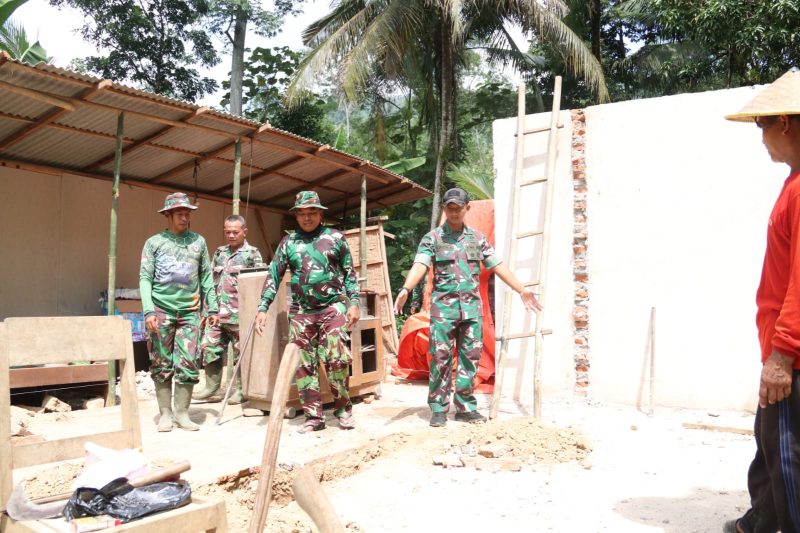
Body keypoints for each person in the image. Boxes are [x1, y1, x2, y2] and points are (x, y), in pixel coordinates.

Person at [723, 71, 800, 533]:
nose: (762, 138)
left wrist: (782, 355)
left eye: (762, 125)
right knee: (771, 444)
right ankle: (757, 523)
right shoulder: (793, 183)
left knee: (788, 457)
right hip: (783, 347)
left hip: (792, 355)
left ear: (785, 123)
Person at [393, 187, 542, 427]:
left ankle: (465, 407)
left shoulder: (478, 239)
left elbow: (497, 265)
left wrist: (521, 289)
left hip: (472, 310)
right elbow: (420, 264)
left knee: (470, 359)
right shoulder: (432, 238)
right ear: (444, 209)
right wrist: (406, 288)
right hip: (444, 310)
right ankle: (439, 408)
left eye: (458, 208)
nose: (454, 213)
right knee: (440, 357)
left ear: (467, 208)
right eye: (450, 208)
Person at [255, 191, 360, 433]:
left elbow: (350, 273)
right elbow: (273, 275)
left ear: (321, 214)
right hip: (301, 311)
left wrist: (354, 302)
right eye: (301, 213)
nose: (307, 217)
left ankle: (343, 410)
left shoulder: (335, 238)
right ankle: (314, 417)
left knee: (337, 359)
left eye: (312, 212)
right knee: (303, 364)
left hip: (332, 307)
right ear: (296, 216)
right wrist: (263, 307)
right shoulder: (288, 242)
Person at [139, 192, 218, 432]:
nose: (184, 218)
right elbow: (145, 278)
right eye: (179, 214)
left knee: (188, 362)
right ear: (168, 215)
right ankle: (165, 414)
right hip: (161, 311)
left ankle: (182, 413)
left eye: (187, 214)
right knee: (161, 362)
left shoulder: (198, 242)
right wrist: (148, 311)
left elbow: (206, 276)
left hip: (190, 313)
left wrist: (212, 307)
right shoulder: (154, 243)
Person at [194, 215, 264, 404]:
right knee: (209, 347)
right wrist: (206, 309)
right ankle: (211, 387)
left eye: (235, 232)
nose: (231, 235)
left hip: (240, 314)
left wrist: (256, 311)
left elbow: (259, 284)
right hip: (217, 314)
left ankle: (241, 390)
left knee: (242, 353)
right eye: (228, 232)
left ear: (244, 232)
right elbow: (210, 282)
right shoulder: (219, 252)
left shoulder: (252, 254)